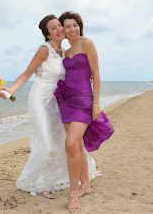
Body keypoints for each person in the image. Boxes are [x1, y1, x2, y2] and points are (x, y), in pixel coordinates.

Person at [0, 14, 98, 199]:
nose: (60, 29)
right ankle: (37, 183)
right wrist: (11, 91)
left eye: (60, 25)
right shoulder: (45, 50)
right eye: (54, 28)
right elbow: (26, 74)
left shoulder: (65, 51)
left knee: (60, 142)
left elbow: (74, 71)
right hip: (40, 101)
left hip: (59, 102)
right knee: (44, 144)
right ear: (47, 34)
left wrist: (87, 77)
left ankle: (55, 180)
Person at [54, 12, 114, 213]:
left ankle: (73, 194)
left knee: (70, 143)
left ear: (80, 26)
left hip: (83, 101)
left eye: (75, 25)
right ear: (62, 29)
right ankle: (86, 185)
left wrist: (96, 104)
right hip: (65, 100)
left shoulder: (87, 43)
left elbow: (96, 73)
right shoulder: (65, 50)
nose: (72, 29)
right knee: (77, 145)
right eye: (67, 26)